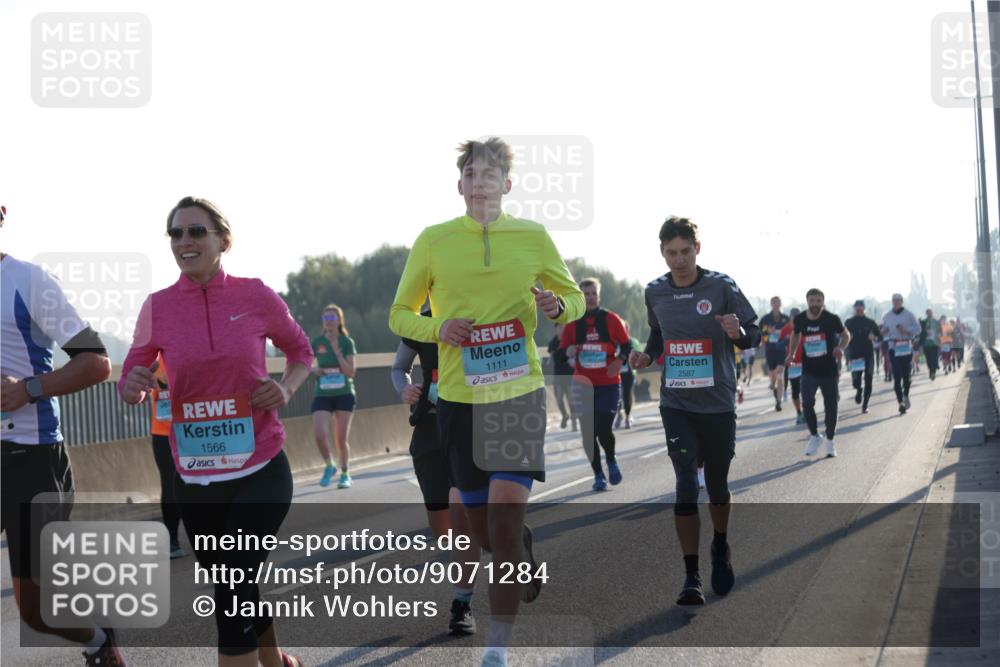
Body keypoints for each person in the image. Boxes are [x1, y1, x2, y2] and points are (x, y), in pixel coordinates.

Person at [388, 138, 585, 667]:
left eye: (490, 174)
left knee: (500, 513)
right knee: (479, 531)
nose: (480, 182)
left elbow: (575, 300)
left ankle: (497, 647)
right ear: (460, 185)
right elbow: (399, 314)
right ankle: (516, 550)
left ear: (507, 184)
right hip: (457, 400)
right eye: (471, 174)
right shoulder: (433, 241)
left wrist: (556, 303)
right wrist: (438, 327)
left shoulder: (533, 237)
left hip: (517, 394)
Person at [119, 196, 312, 667]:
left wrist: (285, 388)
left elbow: (301, 352)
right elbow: (131, 375)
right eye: (176, 234)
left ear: (223, 240)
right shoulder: (157, 307)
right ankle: (272, 659)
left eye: (196, 232)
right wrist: (135, 385)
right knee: (233, 579)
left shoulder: (255, 295)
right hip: (197, 474)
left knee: (233, 582)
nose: (185, 242)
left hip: (260, 465)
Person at [1, 205, 126, 665]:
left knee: (36, 612)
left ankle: (99, 640)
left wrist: (29, 389)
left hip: (30, 461)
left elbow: (95, 361)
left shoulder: (29, 281)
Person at [631, 216, 760, 606]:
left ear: (697, 249)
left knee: (717, 486)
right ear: (662, 253)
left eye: (685, 251)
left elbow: (752, 333)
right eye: (671, 253)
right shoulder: (654, 291)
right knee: (686, 483)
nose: (679, 260)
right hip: (677, 403)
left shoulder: (721, 285)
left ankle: (720, 545)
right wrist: (647, 355)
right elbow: (658, 334)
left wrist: (737, 332)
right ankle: (691, 577)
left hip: (718, 403)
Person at [391, 308, 481, 636]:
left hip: (472, 424)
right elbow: (399, 367)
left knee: (462, 514)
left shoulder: (481, 306)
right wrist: (404, 389)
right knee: (441, 524)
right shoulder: (422, 319)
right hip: (430, 427)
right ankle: (504, 538)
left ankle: (461, 604)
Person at [560, 278, 632, 491]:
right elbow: (561, 353)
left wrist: (618, 362)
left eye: (593, 293)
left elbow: (627, 346)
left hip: (608, 384)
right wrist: (568, 352)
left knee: (602, 428)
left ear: (598, 296)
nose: (590, 298)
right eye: (585, 294)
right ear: (580, 298)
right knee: (587, 433)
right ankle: (598, 475)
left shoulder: (611, 319)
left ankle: (611, 460)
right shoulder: (573, 323)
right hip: (582, 385)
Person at [787, 288, 850, 458]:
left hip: (829, 369)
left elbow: (846, 335)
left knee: (831, 406)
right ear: (807, 301)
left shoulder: (831, 319)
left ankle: (830, 441)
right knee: (807, 402)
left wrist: (840, 348)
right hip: (809, 370)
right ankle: (815, 435)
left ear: (823, 302)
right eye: (812, 301)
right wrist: (792, 353)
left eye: (818, 301)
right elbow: (795, 335)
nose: (815, 304)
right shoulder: (800, 319)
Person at [310, 304, 358, 488]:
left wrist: (337, 351)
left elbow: (350, 372)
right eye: (326, 318)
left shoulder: (347, 342)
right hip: (323, 393)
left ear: (339, 321)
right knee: (319, 433)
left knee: (340, 438)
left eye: (332, 318)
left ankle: (345, 473)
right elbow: (304, 363)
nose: (329, 321)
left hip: (344, 393)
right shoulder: (317, 342)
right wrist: (316, 369)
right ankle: (329, 465)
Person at [149, 353, 185, 558]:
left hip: (196, 426)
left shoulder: (191, 348)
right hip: (163, 430)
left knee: (199, 484)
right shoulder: (153, 356)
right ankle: (172, 540)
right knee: (170, 484)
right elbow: (134, 375)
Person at [881, 293, 921, 414]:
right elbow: (885, 329)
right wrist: (882, 332)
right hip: (894, 347)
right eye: (894, 300)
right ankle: (901, 403)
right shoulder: (887, 316)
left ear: (902, 301)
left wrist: (906, 330)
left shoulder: (909, 315)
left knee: (906, 377)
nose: (896, 302)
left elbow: (918, 330)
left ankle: (905, 395)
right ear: (892, 301)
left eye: (898, 300)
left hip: (906, 347)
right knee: (897, 376)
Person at [844, 300, 881, 413]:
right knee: (856, 381)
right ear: (855, 308)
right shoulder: (849, 322)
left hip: (868, 354)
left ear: (864, 308)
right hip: (855, 355)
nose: (859, 308)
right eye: (857, 307)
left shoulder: (870, 322)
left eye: (861, 306)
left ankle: (865, 405)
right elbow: (842, 336)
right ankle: (859, 390)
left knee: (869, 379)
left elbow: (880, 337)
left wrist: (874, 337)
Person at [758, 296, 790, 411]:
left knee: (780, 375)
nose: (776, 304)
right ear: (771, 304)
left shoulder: (786, 319)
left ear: (780, 304)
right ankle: (773, 385)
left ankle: (779, 401)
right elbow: (760, 335)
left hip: (782, 351)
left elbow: (792, 334)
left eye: (778, 302)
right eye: (774, 302)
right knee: (773, 375)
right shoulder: (765, 319)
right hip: (770, 350)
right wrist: (768, 334)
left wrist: (784, 335)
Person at [547, 323, 575, 430]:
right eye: (559, 327)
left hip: (570, 375)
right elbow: (551, 357)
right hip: (558, 375)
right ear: (556, 329)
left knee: (571, 399)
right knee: (558, 398)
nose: (561, 329)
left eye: (563, 327)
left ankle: (574, 421)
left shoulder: (570, 341)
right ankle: (565, 415)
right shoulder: (553, 343)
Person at [779, 308, 805, 424]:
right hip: (793, 365)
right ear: (790, 317)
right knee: (795, 392)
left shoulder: (806, 327)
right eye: (793, 316)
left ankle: (807, 410)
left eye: (797, 316)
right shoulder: (785, 329)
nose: (795, 318)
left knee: (807, 390)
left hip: (806, 363)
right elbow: (778, 345)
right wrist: (784, 342)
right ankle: (799, 412)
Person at [616, 333, 642, 429]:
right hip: (615, 373)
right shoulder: (610, 339)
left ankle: (627, 416)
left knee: (627, 395)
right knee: (617, 395)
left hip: (628, 372)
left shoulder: (631, 341)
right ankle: (619, 414)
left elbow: (638, 353)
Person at [918, 308, 941, 381]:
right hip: (926, 344)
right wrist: (920, 344)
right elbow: (920, 333)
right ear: (926, 313)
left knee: (934, 359)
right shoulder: (924, 322)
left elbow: (940, 331)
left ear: (932, 313)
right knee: (928, 360)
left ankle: (932, 372)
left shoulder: (936, 321)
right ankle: (931, 370)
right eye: (928, 313)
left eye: (931, 312)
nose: (930, 314)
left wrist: (939, 337)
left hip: (934, 344)